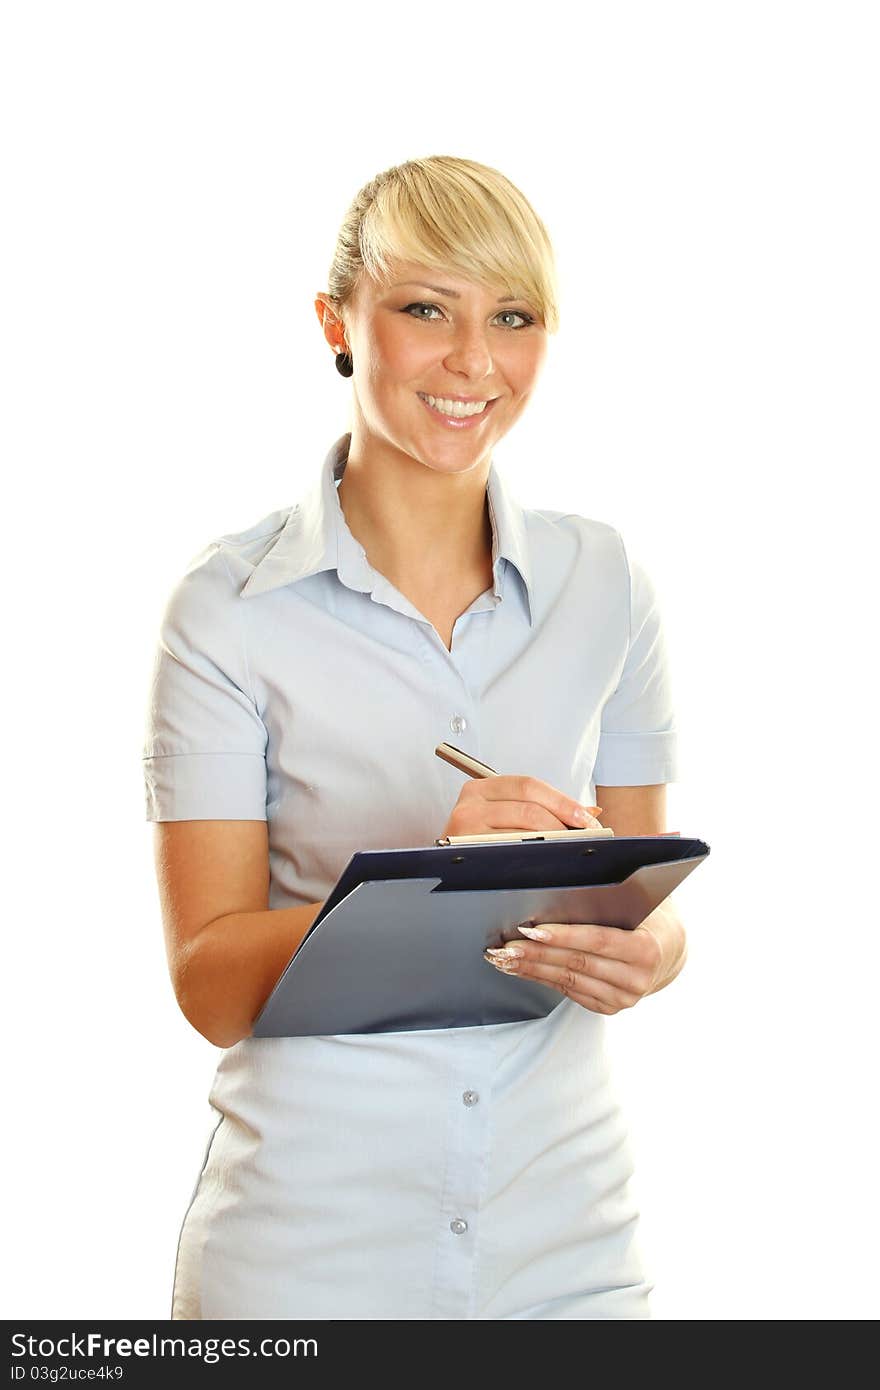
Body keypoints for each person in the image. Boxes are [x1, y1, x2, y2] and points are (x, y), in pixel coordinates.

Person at [142, 154, 686, 1321]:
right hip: (309, 1256)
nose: (472, 361)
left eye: (513, 316)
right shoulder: (227, 608)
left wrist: (653, 954)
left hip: (568, 1246)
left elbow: (640, 890)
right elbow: (208, 984)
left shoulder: (606, 581)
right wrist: (430, 881)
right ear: (338, 320)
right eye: (424, 308)